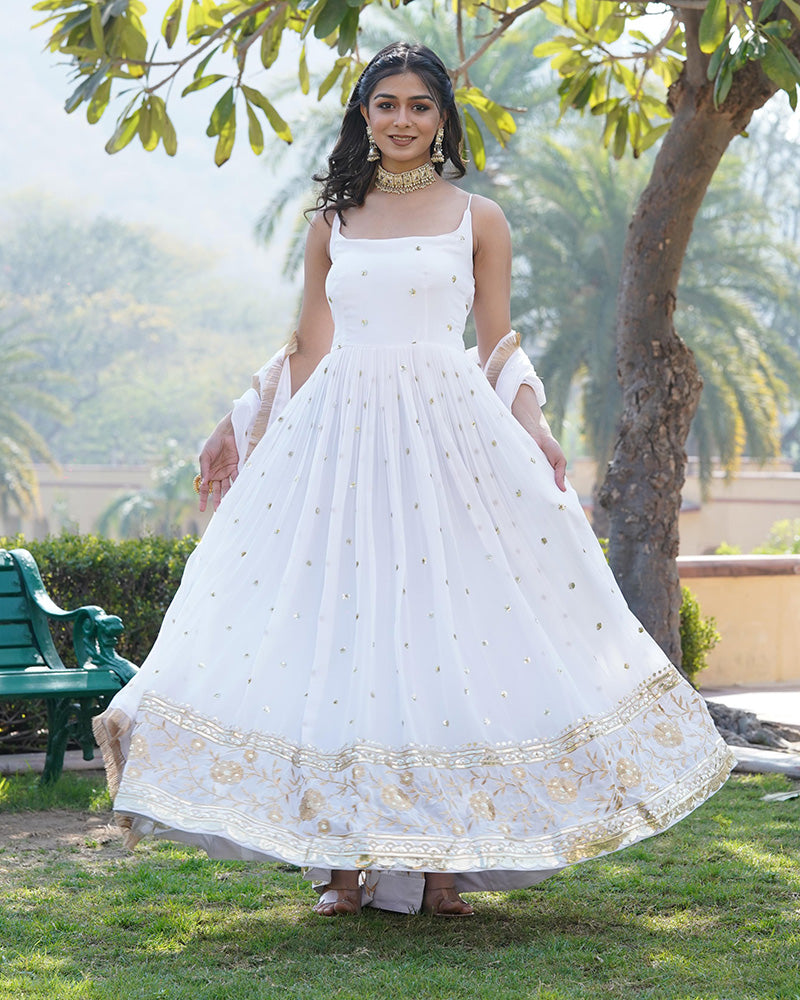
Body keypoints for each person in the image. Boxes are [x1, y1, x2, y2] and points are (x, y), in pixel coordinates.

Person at [93, 42, 735, 920]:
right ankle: (343, 866)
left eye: (420, 106)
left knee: (447, 630)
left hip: (447, 440)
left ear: (442, 119)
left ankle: (443, 866)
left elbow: (497, 342)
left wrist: (536, 429)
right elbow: (309, 346)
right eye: (386, 104)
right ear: (364, 116)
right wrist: (235, 424)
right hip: (340, 445)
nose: (402, 119)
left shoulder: (479, 218)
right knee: (347, 630)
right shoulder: (333, 222)